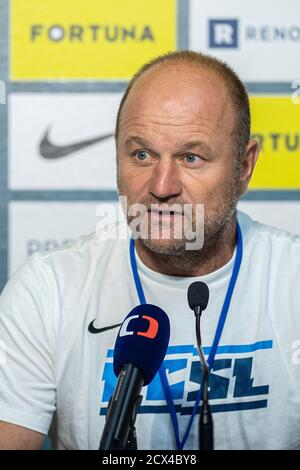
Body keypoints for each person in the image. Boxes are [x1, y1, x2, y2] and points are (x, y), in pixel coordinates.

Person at [0, 50, 300, 450]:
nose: (161, 186)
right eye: (142, 154)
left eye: (191, 157)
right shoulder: (48, 289)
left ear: (244, 167)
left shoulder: (292, 279)